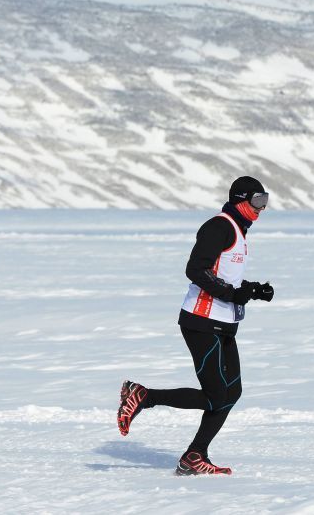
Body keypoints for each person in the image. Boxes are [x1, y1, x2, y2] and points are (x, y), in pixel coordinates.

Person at [116, 176, 275, 476]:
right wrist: (232, 294)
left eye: (266, 201)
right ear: (241, 199)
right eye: (258, 201)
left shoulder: (238, 230)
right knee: (216, 395)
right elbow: (195, 269)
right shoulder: (220, 226)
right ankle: (143, 395)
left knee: (233, 392)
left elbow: (224, 274)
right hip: (201, 321)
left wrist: (253, 290)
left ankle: (194, 456)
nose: (262, 208)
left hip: (224, 322)